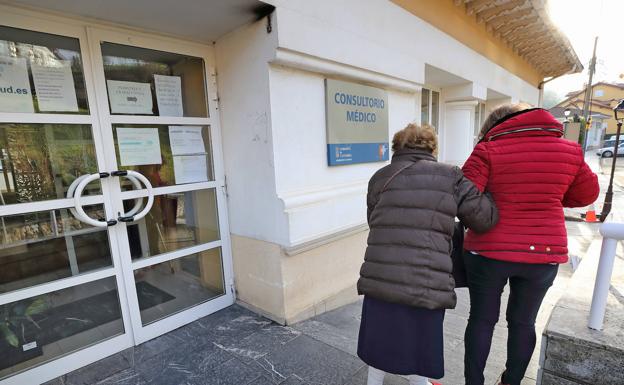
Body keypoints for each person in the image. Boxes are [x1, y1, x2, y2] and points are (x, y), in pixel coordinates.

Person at [461, 105, 600, 385]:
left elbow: (463, 197)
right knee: (523, 322)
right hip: (545, 252)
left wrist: (489, 209)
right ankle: (510, 382)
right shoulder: (570, 151)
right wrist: (552, 195)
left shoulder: (488, 149)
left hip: (489, 250)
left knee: (482, 319)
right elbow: (587, 193)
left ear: (494, 124)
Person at [357, 123, 499, 385]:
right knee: (420, 342)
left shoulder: (379, 177)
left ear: (396, 148)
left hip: (381, 274)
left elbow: (373, 220)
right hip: (426, 277)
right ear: (432, 148)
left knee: (379, 336)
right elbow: (483, 219)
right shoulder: (450, 176)